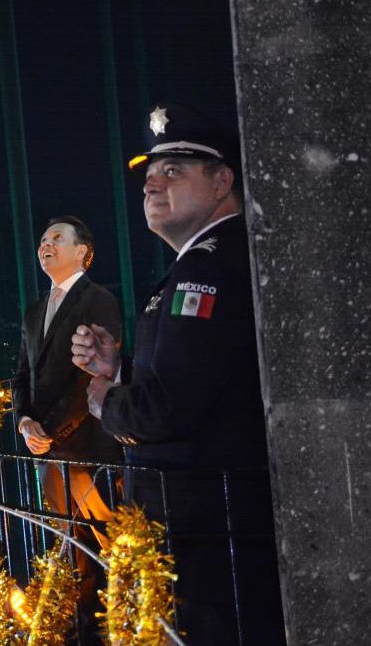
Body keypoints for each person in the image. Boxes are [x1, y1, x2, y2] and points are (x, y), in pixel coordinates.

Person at [70, 102, 284, 643]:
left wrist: (103, 400)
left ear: (221, 181)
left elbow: (166, 410)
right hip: (208, 528)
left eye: (174, 170)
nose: (152, 185)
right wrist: (118, 369)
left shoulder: (209, 267)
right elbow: (199, 379)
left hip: (215, 532)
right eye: (148, 176)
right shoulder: (200, 264)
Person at [12, 216, 123, 536]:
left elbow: (92, 376)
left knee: (111, 541)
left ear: (81, 252)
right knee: (69, 548)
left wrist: (47, 430)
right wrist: (24, 422)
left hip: (89, 447)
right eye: (43, 240)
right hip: (46, 452)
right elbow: (21, 375)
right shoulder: (34, 312)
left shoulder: (99, 299)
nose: (46, 244)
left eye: (57, 238)